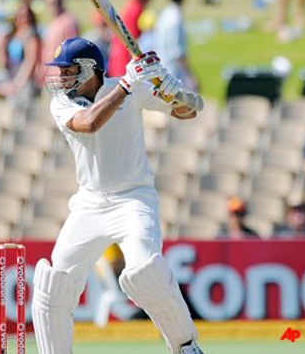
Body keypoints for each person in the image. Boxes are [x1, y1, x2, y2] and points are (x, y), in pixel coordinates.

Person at [33, 37, 206, 354]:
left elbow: (188, 111)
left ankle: (185, 346)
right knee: (54, 282)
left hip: (133, 199)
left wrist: (169, 87)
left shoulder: (133, 86)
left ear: (90, 70)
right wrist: (129, 82)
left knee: (143, 271)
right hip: (89, 203)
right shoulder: (63, 102)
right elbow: (90, 123)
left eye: (68, 71)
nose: (61, 78)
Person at [153, 0, 199, 92]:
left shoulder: (165, 14)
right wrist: (191, 76)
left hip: (162, 68)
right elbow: (178, 52)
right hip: (173, 73)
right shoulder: (176, 18)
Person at [0, 2, 42, 99]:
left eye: (26, 16)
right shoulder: (11, 35)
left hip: (23, 76)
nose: (23, 19)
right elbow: (2, 61)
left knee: (18, 93)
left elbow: (31, 62)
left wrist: (18, 83)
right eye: (20, 16)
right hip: (10, 73)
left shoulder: (31, 37)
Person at [107, 0, 152, 77]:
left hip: (118, 60)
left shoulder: (130, 6)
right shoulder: (136, 10)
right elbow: (131, 40)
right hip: (124, 64)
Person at [40, 0, 80, 82]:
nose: (54, 6)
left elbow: (72, 54)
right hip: (50, 78)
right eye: (51, 2)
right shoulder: (54, 22)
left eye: (57, 1)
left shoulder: (68, 22)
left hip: (62, 79)